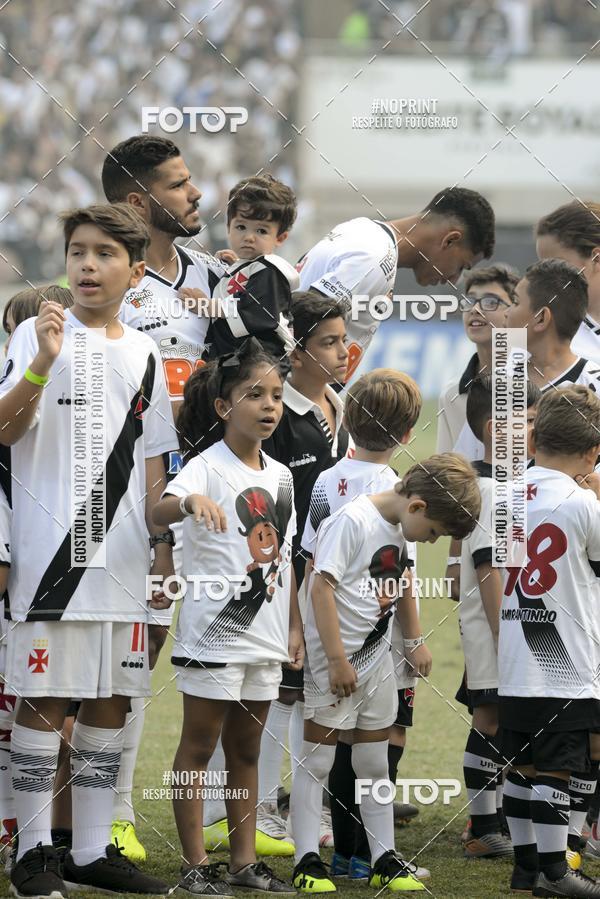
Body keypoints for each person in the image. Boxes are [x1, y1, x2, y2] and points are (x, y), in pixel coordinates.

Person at [0, 204, 175, 898]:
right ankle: (34, 850)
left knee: (111, 701)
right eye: (77, 251)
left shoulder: (144, 352)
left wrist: (162, 548)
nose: (87, 265)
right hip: (53, 558)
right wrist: (43, 361)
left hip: (125, 557)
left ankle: (91, 849)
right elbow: (5, 430)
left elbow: (154, 457)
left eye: (105, 253)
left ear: (136, 272)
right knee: (45, 697)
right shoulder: (33, 334)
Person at [102, 134, 226, 861]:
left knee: (230, 657)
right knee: (131, 660)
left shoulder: (215, 277)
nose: (195, 195)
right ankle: (113, 811)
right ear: (137, 201)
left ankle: (224, 815)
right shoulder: (114, 284)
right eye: (179, 185)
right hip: (136, 507)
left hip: (211, 509)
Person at [291, 454, 482, 894]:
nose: (432, 542)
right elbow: (320, 586)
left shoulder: (402, 526)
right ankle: (307, 860)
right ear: (416, 506)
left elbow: (399, 582)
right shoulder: (353, 521)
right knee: (317, 760)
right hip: (333, 662)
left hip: (377, 661)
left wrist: (411, 642)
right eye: (434, 533)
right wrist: (337, 659)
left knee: (375, 761)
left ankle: (383, 857)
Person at [152, 337, 303, 897]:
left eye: (277, 396)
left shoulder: (285, 476)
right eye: (254, 395)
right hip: (213, 636)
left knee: (247, 751)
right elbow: (159, 509)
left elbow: (285, 559)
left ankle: (244, 863)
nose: (268, 406)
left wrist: (291, 627)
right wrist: (188, 503)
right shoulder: (203, 467)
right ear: (223, 407)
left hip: (264, 638)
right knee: (199, 746)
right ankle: (195, 865)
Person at [300, 368, 430, 882]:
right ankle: (352, 854)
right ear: (407, 434)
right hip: (370, 634)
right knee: (369, 747)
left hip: (324, 631)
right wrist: (415, 639)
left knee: (335, 749)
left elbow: (305, 561)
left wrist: (297, 631)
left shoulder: (326, 479)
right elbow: (404, 575)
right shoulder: (402, 492)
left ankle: (351, 854)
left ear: (348, 420)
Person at [248, 292, 349, 848]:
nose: (340, 352)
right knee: (279, 691)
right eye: (327, 342)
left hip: (329, 572)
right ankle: (257, 811)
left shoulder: (338, 400)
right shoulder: (279, 413)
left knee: (311, 695)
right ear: (297, 348)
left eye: (343, 340)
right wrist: (285, 587)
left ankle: (307, 812)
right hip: (285, 571)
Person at [500, 385, 600, 898]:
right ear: (592, 453)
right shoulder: (584, 503)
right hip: (564, 660)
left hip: (515, 653)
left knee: (522, 767)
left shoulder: (506, 497)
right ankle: (557, 871)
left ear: (534, 438)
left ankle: (525, 871)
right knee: (558, 768)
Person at [297, 187, 495, 381]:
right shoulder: (374, 257)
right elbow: (305, 323)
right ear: (450, 240)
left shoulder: (362, 229)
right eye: (462, 266)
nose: (453, 280)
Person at [200, 173, 299, 361]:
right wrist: (237, 267)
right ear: (228, 227)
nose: (249, 237)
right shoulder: (251, 267)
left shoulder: (271, 271)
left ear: (280, 237)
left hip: (264, 364)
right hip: (239, 362)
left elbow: (252, 310)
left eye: (261, 230)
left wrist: (205, 305)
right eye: (241, 227)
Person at [437, 264, 518, 460]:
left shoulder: (537, 382)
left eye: (491, 302)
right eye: (470, 300)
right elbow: (445, 470)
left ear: (516, 310)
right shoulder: (452, 394)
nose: (475, 309)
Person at [505, 259, 600, 394]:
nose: (506, 312)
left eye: (515, 302)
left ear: (541, 318)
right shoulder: (502, 379)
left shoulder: (594, 384)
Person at [536, 201, 600, 363]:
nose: (546, 278)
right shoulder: (537, 333)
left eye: (558, 265)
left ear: (597, 259)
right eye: (544, 267)